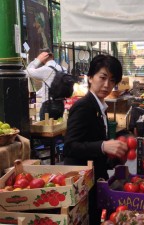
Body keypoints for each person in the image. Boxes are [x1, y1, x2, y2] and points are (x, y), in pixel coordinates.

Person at [63, 54, 129, 225]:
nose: (107, 85)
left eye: (112, 80)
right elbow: (70, 147)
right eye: (103, 77)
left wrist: (114, 156)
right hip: (82, 183)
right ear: (90, 78)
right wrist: (103, 146)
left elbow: (94, 141)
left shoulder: (100, 107)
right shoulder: (83, 106)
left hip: (93, 180)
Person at [24, 49, 66, 120]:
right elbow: (49, 86)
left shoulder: (45, 69)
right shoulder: (63, 69)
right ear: (52, 56)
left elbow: (26, 72)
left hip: (48, 106)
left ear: (44, 57)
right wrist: (35, 94)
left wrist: (38, 60)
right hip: (60, 105)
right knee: (57, 128)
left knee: (45, 129)